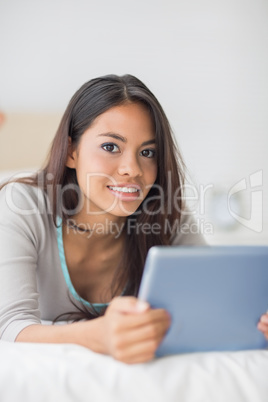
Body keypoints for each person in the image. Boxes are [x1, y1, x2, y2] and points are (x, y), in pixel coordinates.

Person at [0, 75, 267, 364]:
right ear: (71, 151)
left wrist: (256, 318)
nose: (132, 169)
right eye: (111, 147)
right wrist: (96, 335)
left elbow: (216, 303)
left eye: (147, 152)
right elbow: (10, 326)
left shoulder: (167, 214)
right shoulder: (21, 206)